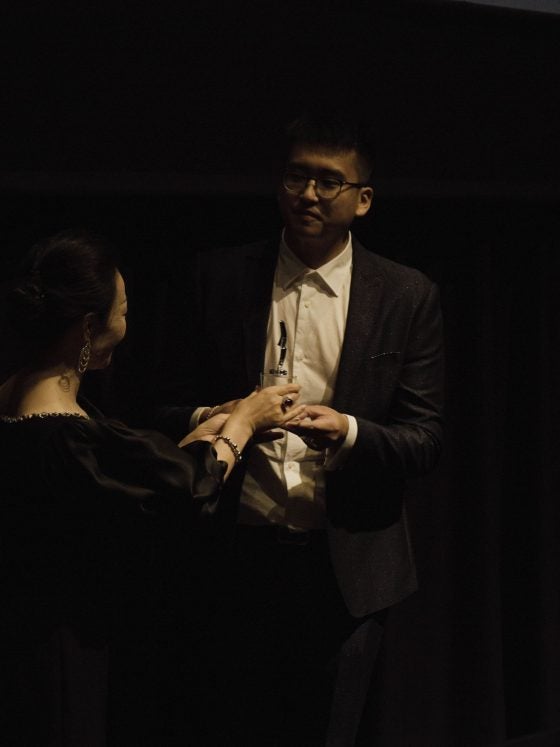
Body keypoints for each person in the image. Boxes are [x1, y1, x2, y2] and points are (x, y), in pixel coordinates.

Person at [153, 110, 445, 746]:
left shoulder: (405, 294)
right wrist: (224, 418)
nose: (308, 194)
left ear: (363, 199)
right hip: (232, 555)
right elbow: (161, 407)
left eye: (328, 181)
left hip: (346, 568)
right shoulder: (218, 276)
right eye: (295, 177)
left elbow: (424, 439)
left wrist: (348, 430)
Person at [0, 229, 304, 747]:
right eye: (122, 311)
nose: (126, 323)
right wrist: (244, 424)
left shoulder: (18, 401)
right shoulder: (66, 436)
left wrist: (206, 433)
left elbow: (123, 482)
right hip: (60, 651)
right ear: (89, 326)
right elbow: (187, 498)